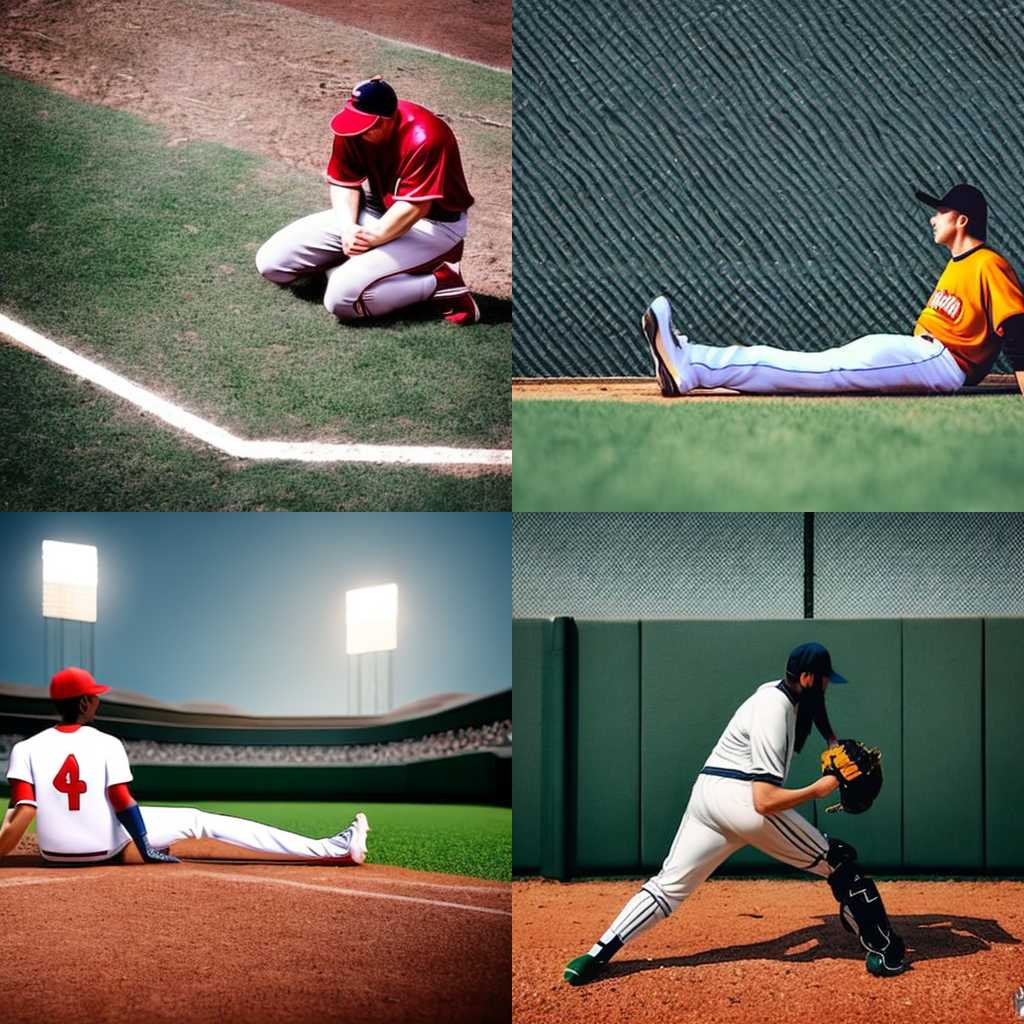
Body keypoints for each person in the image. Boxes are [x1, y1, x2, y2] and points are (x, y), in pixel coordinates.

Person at [563, 643, 907, 986]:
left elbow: (815, 707)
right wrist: (820, 788)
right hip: (744, 803)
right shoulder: (776, 711)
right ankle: (885, 949)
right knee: (840, 862)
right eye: (824, 680)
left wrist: (832, 740)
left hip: (707, 798)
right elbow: (764, 800)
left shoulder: (775, 692)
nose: (827, 686)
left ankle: (595, 955)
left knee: (667, 886)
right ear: (806, 677)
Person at [642, 183, 1024, 395]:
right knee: (826, 365)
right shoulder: (960, 266)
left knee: (825, 369)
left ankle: (692, 365)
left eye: (940, 212)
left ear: (961, 220)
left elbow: (1018, 331)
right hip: (926, 358)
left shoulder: (989, 264)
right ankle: (692, 364)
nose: (932, 218)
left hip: (940, 363)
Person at [0, 667, 370, 866]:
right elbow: (123, 802)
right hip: (105, 847)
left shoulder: (27, 747)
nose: (97, 702)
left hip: (54, 853)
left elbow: (24, 812)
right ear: (82, 703)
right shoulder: (107, 743)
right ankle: (330, 848)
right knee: (199, 819)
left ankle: (330, 848)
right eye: (93, 697)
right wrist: (144, 848)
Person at [256, 76, 479, 325]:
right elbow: (344, 182)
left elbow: (416, 207)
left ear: (386, 122)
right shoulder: (354, 127)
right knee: (272, 264)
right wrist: (349, 228)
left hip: (431, 226)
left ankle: (438, 281)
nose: (358, 134)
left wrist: (371, 240)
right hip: (377, 210)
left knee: (341, 300)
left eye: (366, 128)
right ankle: (358, 266)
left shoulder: (427, 137)